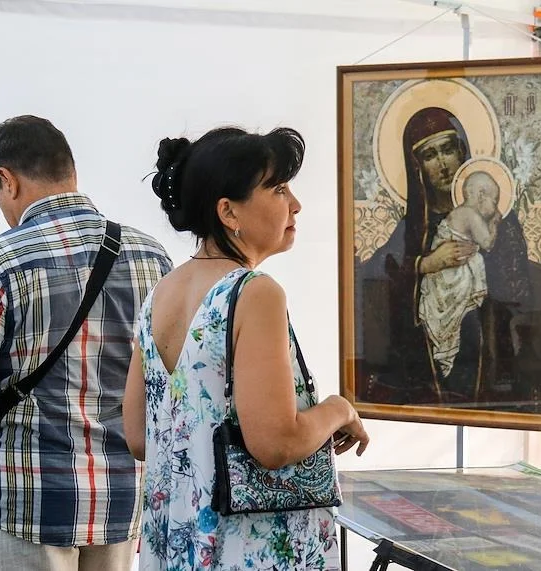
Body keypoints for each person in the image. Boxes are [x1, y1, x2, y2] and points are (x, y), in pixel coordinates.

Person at [0, 115, 173, 570]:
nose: (1, 207)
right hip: (122, 499)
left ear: (7, 180)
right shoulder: (151, 256)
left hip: (27, 501)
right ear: (69, 170)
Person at [123, 127, 370, 569]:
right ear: (228, 211)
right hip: (242, 550)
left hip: (178, 546)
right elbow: (275, 443)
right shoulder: (255, 293)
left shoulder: (159, 295)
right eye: (278, 189)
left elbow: (140, 437)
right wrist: (339, 410)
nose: (295, 204)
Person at [360, 107, 532, 405]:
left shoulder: (499, 219)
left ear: (462, 152)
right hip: (426, 361)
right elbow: (375, 271)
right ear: (418, 167)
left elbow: (517, 287)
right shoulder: (413, 227)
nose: (442, 164)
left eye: (448, 150)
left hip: (487, 351)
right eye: (430, 155)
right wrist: (427, 263)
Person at [418, 170, 502, 380]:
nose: (495, 207)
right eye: (494, 200)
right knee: (460, 323)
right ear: (481, 195)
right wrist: (494, 222)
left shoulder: (458, 212)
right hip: (455, 280)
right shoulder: (471, 215)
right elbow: (487, 243)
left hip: (445, 280)